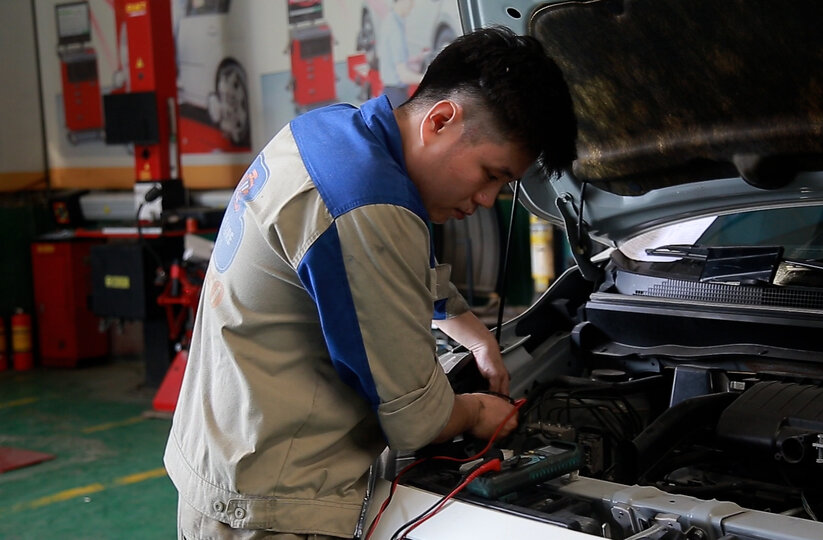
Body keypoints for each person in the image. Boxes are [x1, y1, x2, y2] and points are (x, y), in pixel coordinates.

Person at [164, 25, 577, 539]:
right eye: (491, 174)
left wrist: (475, 334)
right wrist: (474, 413)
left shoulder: (332, 135)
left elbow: (406, 268)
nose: (489, 200)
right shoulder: (369, 202)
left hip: (229, 461)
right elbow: (417, 419)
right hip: (273, 507)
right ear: (442, 120)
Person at [376, 0, 423, 108]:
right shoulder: (395, 28)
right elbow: (404, 76)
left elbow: (388, 57)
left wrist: (414, 59)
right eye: (410, 1)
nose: (412, 5)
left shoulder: (389, 21)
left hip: (390, 94)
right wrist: (428, 78)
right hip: (396, 97)